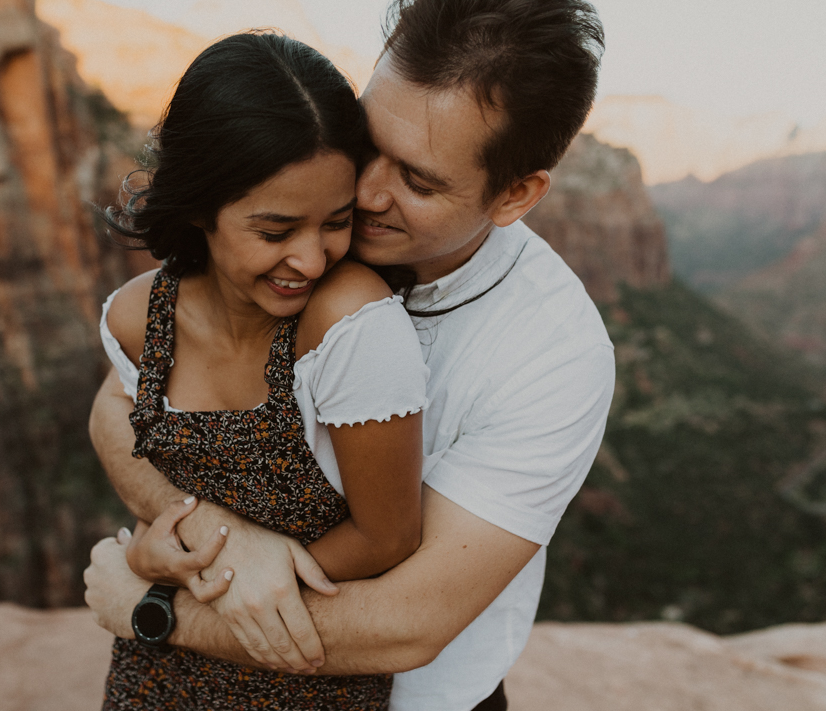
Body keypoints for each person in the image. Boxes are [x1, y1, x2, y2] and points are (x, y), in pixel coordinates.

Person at [85, 1, 615, 709]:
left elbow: (408, 624)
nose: (363, 195)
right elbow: (119, 406)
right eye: (368, 144)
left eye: (419, 182)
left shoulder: (552, 353)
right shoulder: (300, 242)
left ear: (516, 193)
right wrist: (223, 536)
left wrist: (157, 611)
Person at [95, 31, 432, 709]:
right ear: (199, 208)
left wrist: (173, 587)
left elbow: (389, 534)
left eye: (336, 221)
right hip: (152, 681)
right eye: (276, 232)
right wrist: (165, 551)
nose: (311, 259)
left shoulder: (349, 322)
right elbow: (111, 420)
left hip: (306, 678)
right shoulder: (138, 319)